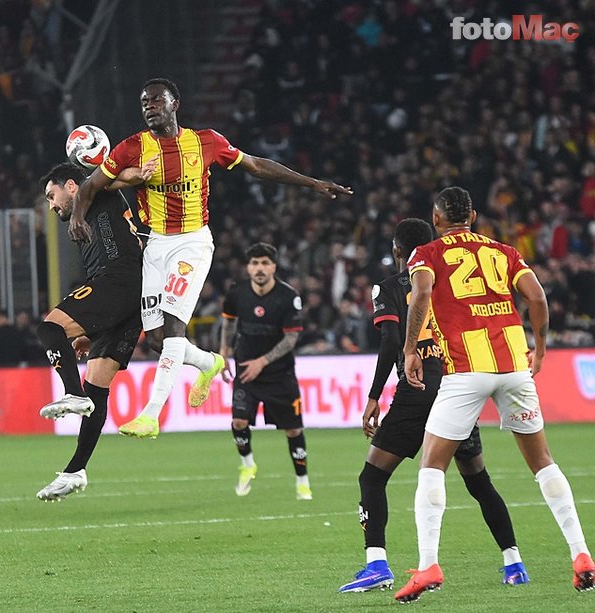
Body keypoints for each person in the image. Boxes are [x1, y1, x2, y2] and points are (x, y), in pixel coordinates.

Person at [69, 78, 352, 439]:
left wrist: (312, 183)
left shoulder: (206, 142)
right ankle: (209, 363)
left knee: (174, 327)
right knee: (155, 339)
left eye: (156, 100)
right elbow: (91, 186)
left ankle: (151, 415)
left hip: (192, 244)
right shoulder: (132, 147)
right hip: (155, 245)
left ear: (175, 103)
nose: (149, 106)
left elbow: (255, 165)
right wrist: (77, 216)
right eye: (144, 102)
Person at [395, 187, 594, 602]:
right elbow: (536, 296)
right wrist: (540, 348)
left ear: (436, 219)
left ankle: (428, 564)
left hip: (465, 371)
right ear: (473, 216)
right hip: (514, 368)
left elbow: (423, 293)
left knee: (432, 465)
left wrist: (411, 348)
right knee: (543, 463)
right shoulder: (504, 252)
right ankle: (581, 555)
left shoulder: (426, 254)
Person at [338, 218, 528, 594]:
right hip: (457, 388)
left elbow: (389, 341)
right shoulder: (449, 280)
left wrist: (374, 396)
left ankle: (377, 564)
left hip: (417, 390)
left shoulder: (390, 287)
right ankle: (514, 563)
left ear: (397, 250)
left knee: (372, 476)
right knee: (478, 480)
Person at [34, 159, 151, 501]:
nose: (51, 205)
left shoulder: (93, 189)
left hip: (116, 280)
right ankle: (75, 471)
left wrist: (138, 172)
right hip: (131, 297)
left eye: (51, 195)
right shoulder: (85, 210)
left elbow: (112, 177)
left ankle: (72, 393)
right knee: (97, 387)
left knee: (50, 329)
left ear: (71, 186)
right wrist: (94, 327)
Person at [219, 243, 311, 500]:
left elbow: (291, 339)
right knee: (238, 422)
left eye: (265, 263)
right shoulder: (237, 293)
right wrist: (224, 352)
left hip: (280, 374)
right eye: (255, 263)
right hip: (246, 371)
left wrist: (262, 361)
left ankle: (302, 481)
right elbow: (228, 323)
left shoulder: (288, 296)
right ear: (248, 268)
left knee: (293, 430)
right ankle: (248, 465)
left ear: (274, 267)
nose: (259, 268)